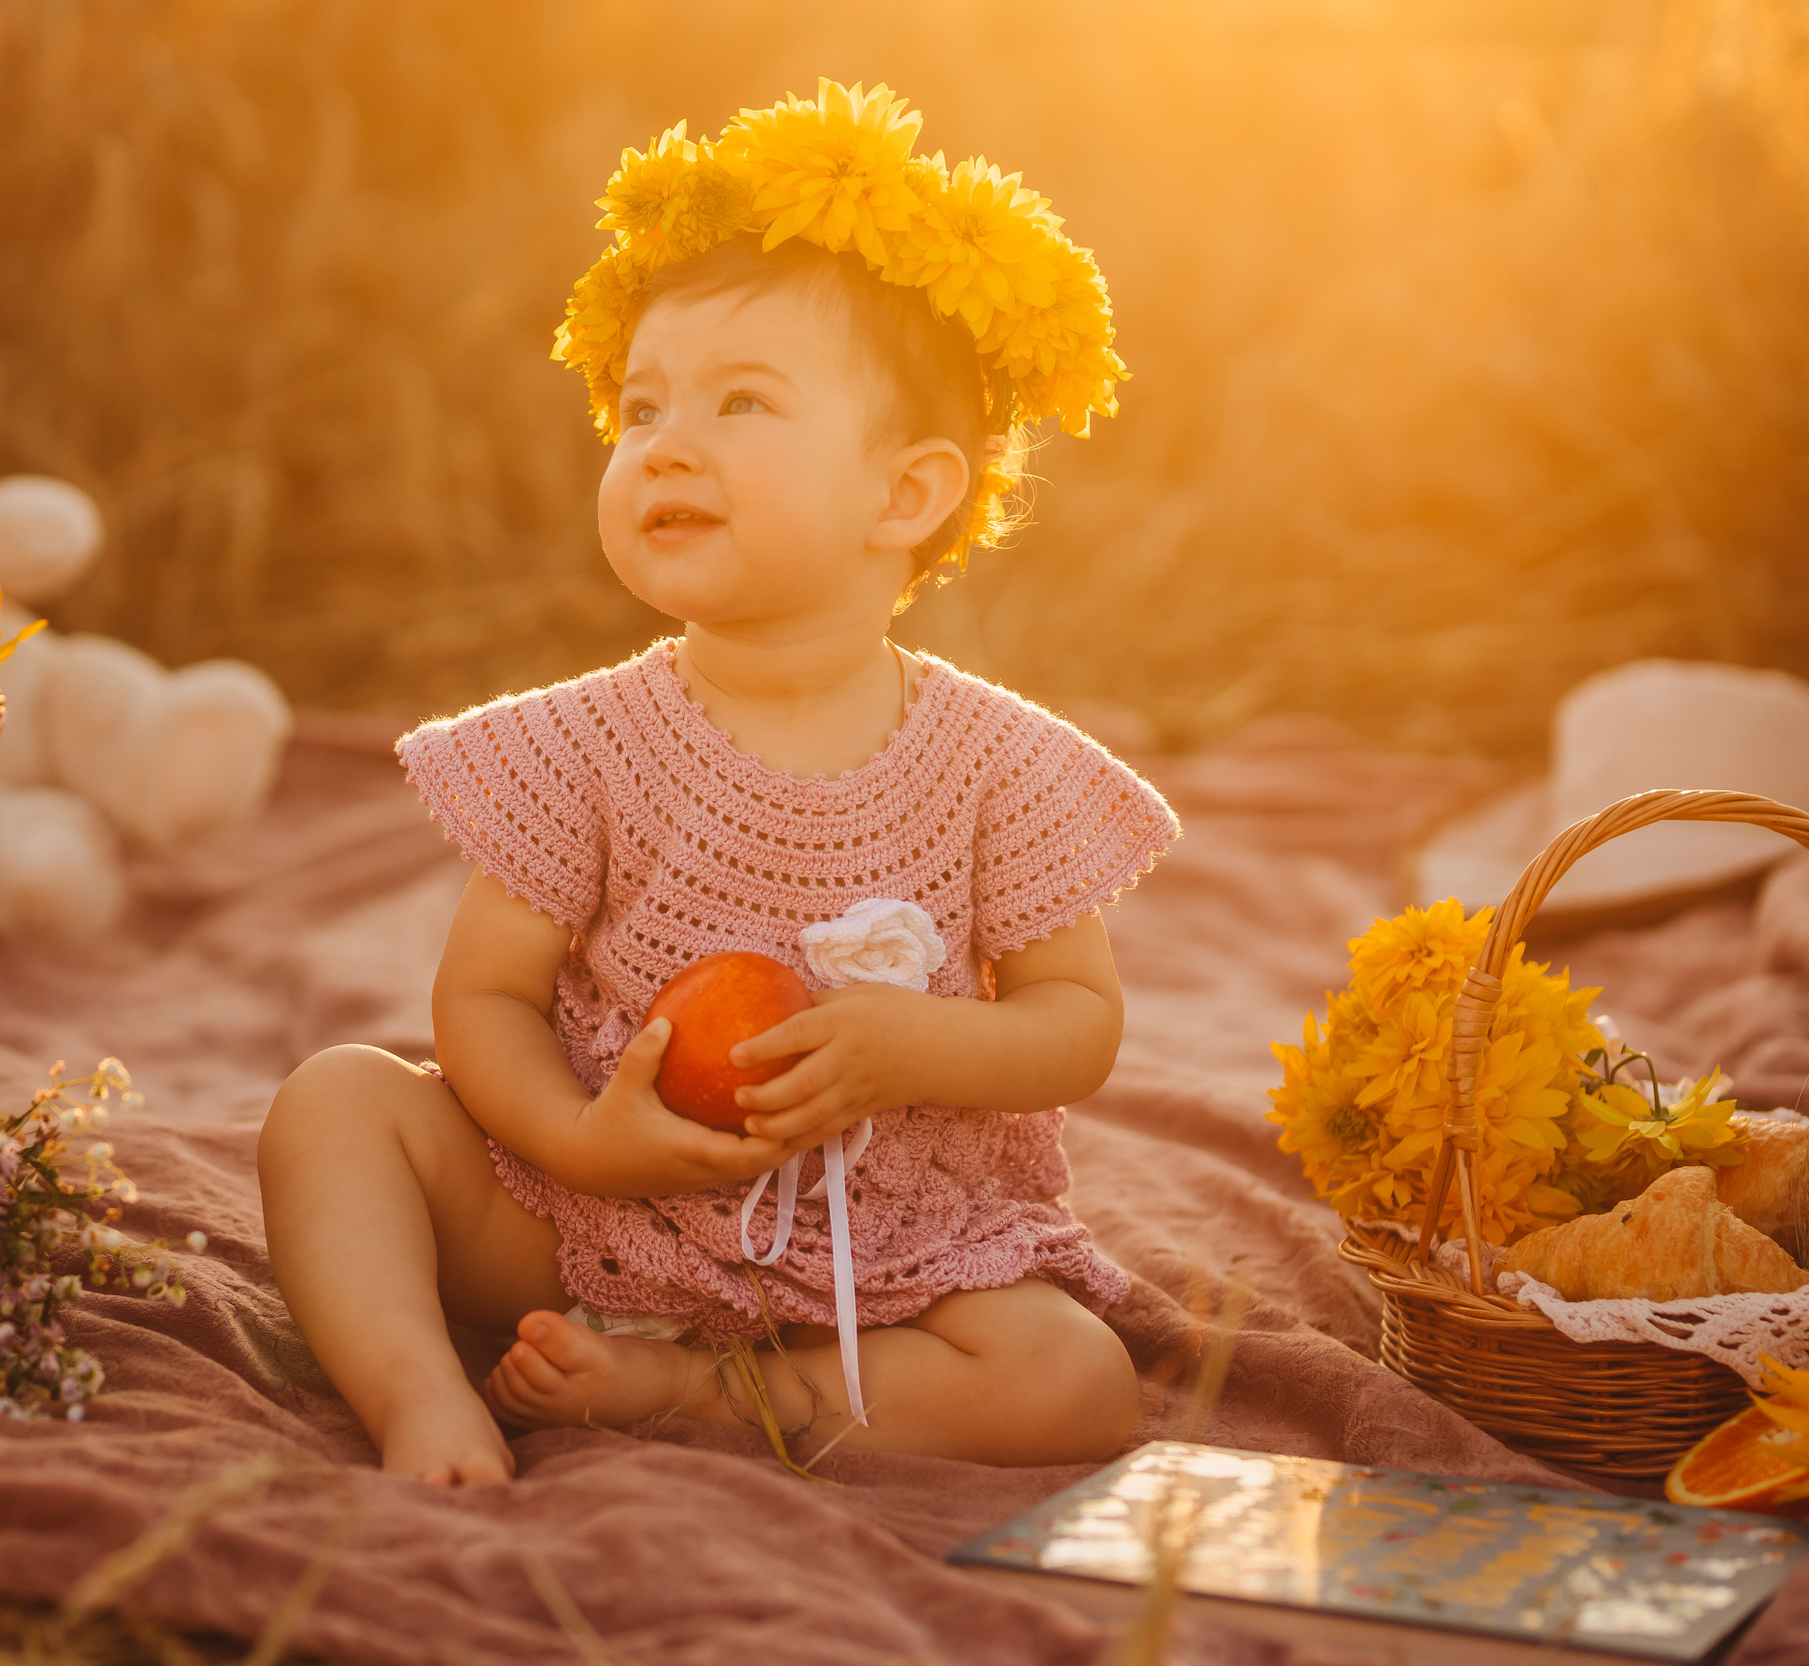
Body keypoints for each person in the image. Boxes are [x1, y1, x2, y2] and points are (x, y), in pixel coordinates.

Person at [258, 81, 1178, 1486]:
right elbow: (485, 999)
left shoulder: (1001, 764)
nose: (665, 442)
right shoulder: (584, 742)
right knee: (334, 1105)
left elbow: (1079, 1022)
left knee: (1074, 1383)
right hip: (581, 1212)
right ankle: (420, 1397)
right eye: (640, 408)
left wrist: (910, 1047)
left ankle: (701, 1394)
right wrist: (586, 1140)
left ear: (907, 497)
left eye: (741, 402)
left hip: (886, 1250)